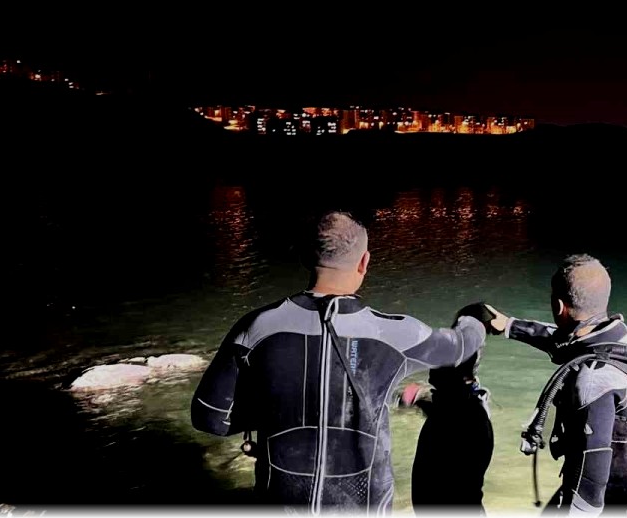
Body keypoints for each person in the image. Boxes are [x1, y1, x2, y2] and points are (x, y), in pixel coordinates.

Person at [191, 212, 487, 513]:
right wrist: (476, 319)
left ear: (307, 257)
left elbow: (210, 418)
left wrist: (276, 412)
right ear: (364, 262)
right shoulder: (395, 334)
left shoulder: (255, 328)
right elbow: (461, 347)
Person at [475, 255, 627, 515]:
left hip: (626, 497)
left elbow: (588, 500)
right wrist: (509, 326)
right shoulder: (625, 337)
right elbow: (566, 341)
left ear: (559, 305)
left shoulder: (594, 381)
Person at [400, 334, 493, 514]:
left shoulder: (462, 417)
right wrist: (420, 399)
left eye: (436, 367)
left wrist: (420, 399)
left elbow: (451, 424)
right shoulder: (465, 409)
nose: (430, 377)